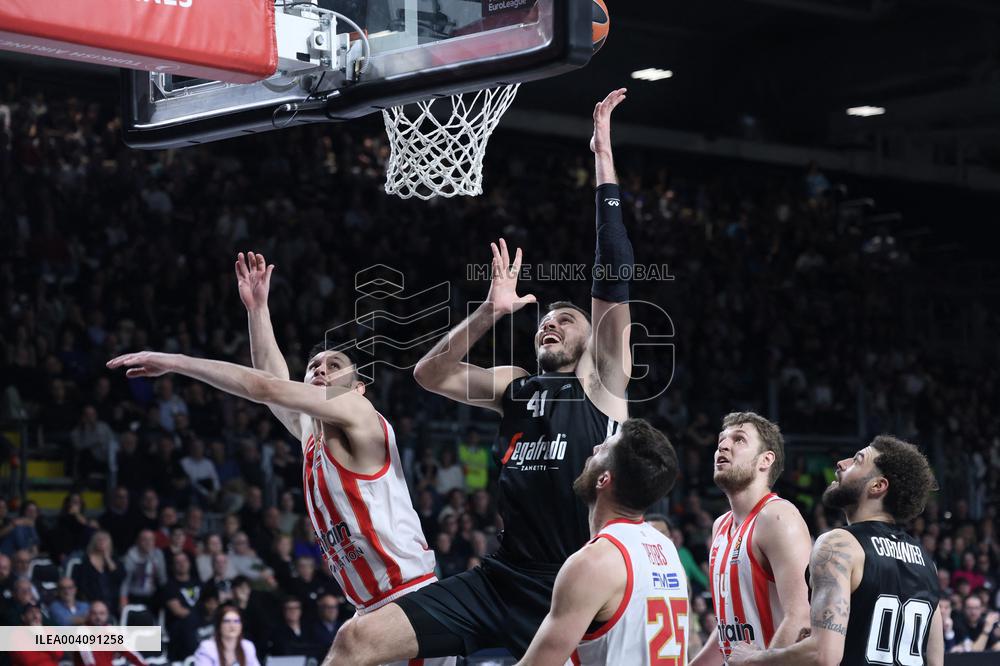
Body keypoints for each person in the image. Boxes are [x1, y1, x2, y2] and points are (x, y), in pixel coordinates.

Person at [325, 88, 636, 665]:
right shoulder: (515, 385)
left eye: (566, 320)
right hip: (501, 578)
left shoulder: (605, 385)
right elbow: (429, 374)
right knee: (356, 640)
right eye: (544, 318)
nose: (551, 323)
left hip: (576, 583)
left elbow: (614, 271)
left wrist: (603, 159)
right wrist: (489, 313)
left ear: (592, 339)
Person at [108, 251, 451, 666]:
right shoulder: (312, 435)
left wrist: (175, 361)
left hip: (410, 597)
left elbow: (266, 388)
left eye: (335, 365)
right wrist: (258, 310)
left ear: (359, 388)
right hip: (374, 608)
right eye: (313, 366)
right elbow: (272, 379)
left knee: (343, 648)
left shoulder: (361, 415)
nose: (320, 370)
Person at [729, 435, 944, 665]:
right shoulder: (925, 561)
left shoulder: (840, 544)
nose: (842, 463)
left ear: (877, 486)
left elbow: (823, 655)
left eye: (857, 460)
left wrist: (752, 659)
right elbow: (934, 661)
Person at [515, 418, 687, 665]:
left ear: (603, 480)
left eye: (604, 448)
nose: (594, 449)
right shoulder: (666, 547)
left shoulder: (594, 562)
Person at [689, 412, 812, 665]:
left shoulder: (778, 517)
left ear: (765, 460)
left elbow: (800, 617)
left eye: (739, 440)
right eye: (722, 440)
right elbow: (727, 628)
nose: (723, 446)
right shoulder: (720, 526)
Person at [72, 601, 147, 666]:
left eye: (102, 613)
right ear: (88, 615)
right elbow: (87, 658)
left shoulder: (111, 630)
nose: (98, 617)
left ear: (107, 615)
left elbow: (131, 652)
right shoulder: (81, 631)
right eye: (94, 613)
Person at [194, 603, 261, 666]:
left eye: (236, 621)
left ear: (241, 625)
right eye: (227, 621)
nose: (232, 625)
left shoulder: (247, 647)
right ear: (219, 625)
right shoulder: (207, 648)